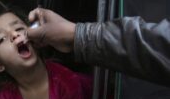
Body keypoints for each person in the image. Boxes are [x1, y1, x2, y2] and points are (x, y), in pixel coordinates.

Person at [27, 8, 170, 86]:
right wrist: (76, 35)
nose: (15, 35)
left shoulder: (62, 81)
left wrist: (77, 35)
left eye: (19, 28)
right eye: (3, 38)